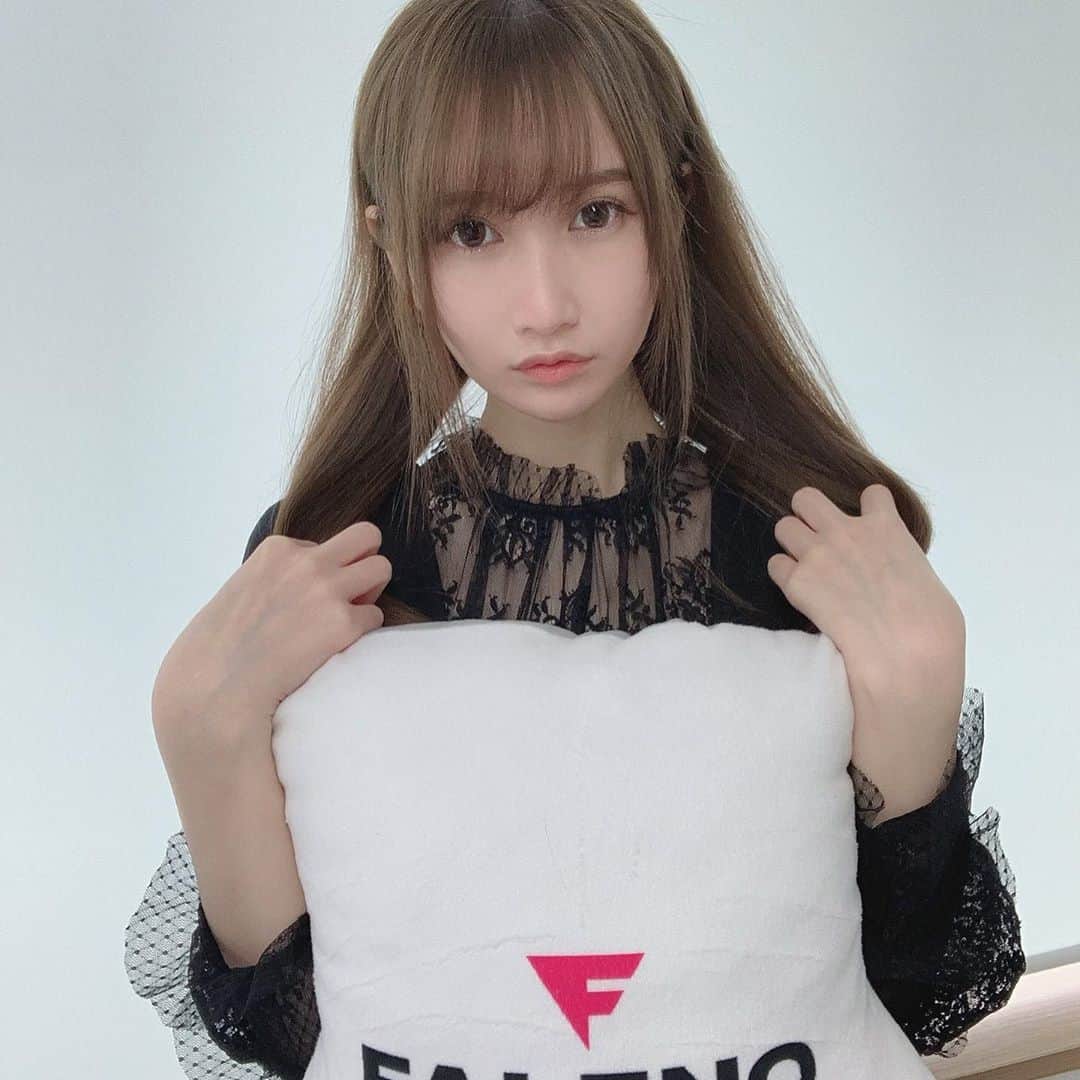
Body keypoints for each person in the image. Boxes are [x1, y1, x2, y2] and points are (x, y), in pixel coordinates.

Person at [123, 1, 1026, 1076]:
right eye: (472, 231)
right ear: (390, 242)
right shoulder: (336, 567)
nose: (544, 304)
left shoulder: (799, 547)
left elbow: (905, 997)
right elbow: (301, 1038)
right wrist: (199, 727)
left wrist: (918, 695)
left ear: (675, 202)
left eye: (596, 213)